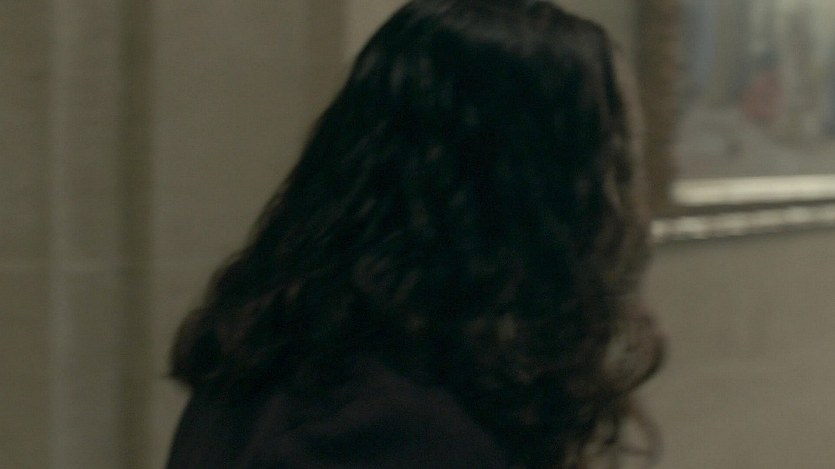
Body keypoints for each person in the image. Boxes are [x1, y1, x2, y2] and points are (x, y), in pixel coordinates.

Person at [166, 0, 664, 468]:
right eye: (619, 163)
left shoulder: (303, 354)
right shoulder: (397, 431)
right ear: (536, 193)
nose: (635, 201)